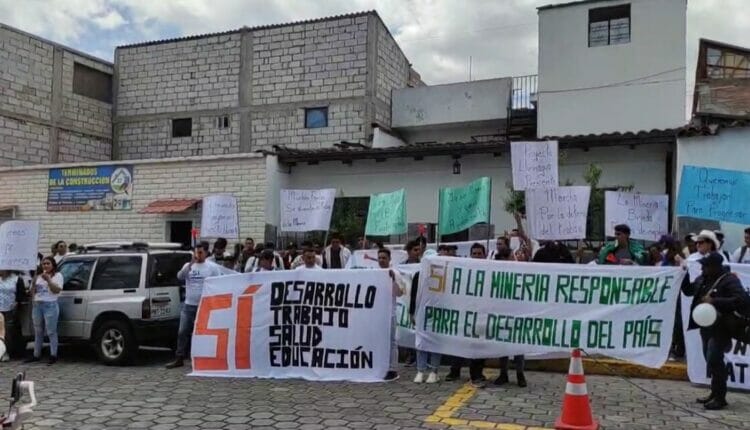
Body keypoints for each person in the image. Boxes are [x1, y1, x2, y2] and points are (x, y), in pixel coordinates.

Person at [681, 252, 750, 410]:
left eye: (706, 265)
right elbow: (689, 290)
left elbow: (742, 299)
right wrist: (683, 274)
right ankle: (714, 393)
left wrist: (715, 301)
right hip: (706, 327)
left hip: (722, 327)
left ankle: (720, 397)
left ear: (715, 267)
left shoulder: (729, 280)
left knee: (713, 358)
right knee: (710, 359)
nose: (702, 268)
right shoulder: (702, 279)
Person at [166, 242, 225, 369]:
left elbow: (219, 283)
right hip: (188, 305)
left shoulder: (212, 267)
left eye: (200, 252)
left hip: (204, 305)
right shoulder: (188, 266)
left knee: (201, 333)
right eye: (196, 252)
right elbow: (180, 276)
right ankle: (179, 357)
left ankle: (202, 357)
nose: (198, 255)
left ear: (206, 253)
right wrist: (191, 264)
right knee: (182, 332)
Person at [446, 243, 488, 387]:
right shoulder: (463, 270)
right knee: (459, 343)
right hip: (464, 313)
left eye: (479, 254)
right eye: (474, 254)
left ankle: (476, 375)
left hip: (482, 314)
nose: (476, 256)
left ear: (485, 255)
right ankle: (454, 371)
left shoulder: (490, 271)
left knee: (478, 346)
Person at [25, 257, 63, 365]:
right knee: (38, 331)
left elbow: (57, 290)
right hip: (38, 305)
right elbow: (32, 292)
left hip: (50, 305)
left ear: (53, 265)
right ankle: (36, 354)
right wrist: (33, 283)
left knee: (51, 331)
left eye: (48, 263)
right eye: (43, 264)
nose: (45, 266)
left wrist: (49, 280)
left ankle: (53, 355)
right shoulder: (38, 277)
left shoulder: (58, 276)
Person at [409, 268, 440, 384]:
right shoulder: (419, 275)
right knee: (423, 342)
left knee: (434, 343)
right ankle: (422, 371)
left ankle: (432, 372)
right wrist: (412, 312)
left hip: (436, 312)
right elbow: (413, 295)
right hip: (422, 312)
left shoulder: (440, 274)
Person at [378, 248, 403, 381]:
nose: (381, 260)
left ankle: (393, 369)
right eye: (380, 258)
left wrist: (393, 280)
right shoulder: (375, 273)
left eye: (384, 258)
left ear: (389, 259)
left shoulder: (395, 273)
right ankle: (381, 366)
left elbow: (399, 293)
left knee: (392, 341)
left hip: (390, 313)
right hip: (378, 313)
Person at [0, 271, 24, 360]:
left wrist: (17, 303)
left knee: (8, 332)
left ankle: (6, 351)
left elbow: (21, 294)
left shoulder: (16, 279)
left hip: (9, 309)